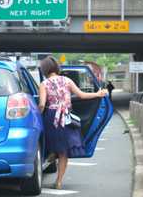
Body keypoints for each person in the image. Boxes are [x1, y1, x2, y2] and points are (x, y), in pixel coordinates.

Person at [38, 56, 107, 190]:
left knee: (50, 144)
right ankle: (58, 181)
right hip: (66, 117)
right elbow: (82, 95)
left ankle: (52, 155)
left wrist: (37, 115)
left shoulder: (44, 84)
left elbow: (41, 104)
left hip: (52, 117)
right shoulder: (67, 80)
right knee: (64, 151)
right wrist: (98, 94)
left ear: (44, 69)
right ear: (57, 67)